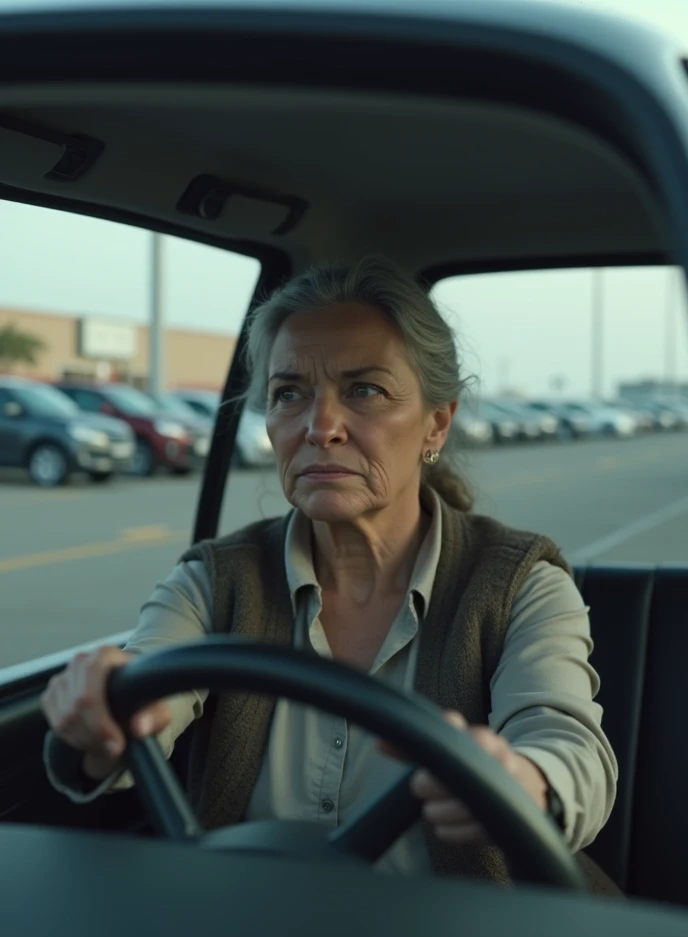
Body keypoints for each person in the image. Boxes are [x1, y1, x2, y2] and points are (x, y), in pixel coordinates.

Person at [41, 256, 618, 889]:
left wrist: (526, 783)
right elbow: (145, 699)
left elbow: (567, 746)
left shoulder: (520, 582)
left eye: (364, 390)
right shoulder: (214, 580)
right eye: (290, 394)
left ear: (437, 422)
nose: (320, 427)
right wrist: (102, 713)